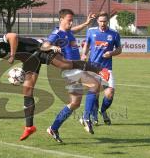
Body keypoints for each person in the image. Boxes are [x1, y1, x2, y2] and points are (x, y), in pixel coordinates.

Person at [0, 33, 109, 141]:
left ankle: (98, 69)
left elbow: (13, 36)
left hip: (38, 49)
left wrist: (13, 55)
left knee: (64, 65)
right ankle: (29, 127)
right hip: (29, 60)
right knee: (27, 89)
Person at [46, 9, 108, 143]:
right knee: (95, 84)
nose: (71, 22)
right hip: (70, 70)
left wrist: (86, 23)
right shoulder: (57, 34)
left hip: (75, 69)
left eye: (72, 20)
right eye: (69, 20)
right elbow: (44, 45)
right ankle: (86, 118)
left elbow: (75, 29)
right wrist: (51, 47)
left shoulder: (68, 32)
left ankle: (53, 128)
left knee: (75, 103)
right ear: (61, 20)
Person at [80, 11, 122, 127]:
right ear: (97, 21)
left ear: (107, 21)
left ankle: (102, 110)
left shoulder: (114, 34)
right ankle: (94, 117)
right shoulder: (91, 31)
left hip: (106, 68)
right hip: (92, 67)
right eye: (100, 21)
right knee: (95, 93)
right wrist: (83, 54)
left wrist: (111, 53)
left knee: (109, 93)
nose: (103, 23)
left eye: (104, 21)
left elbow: (119, 49)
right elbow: (86, 45)